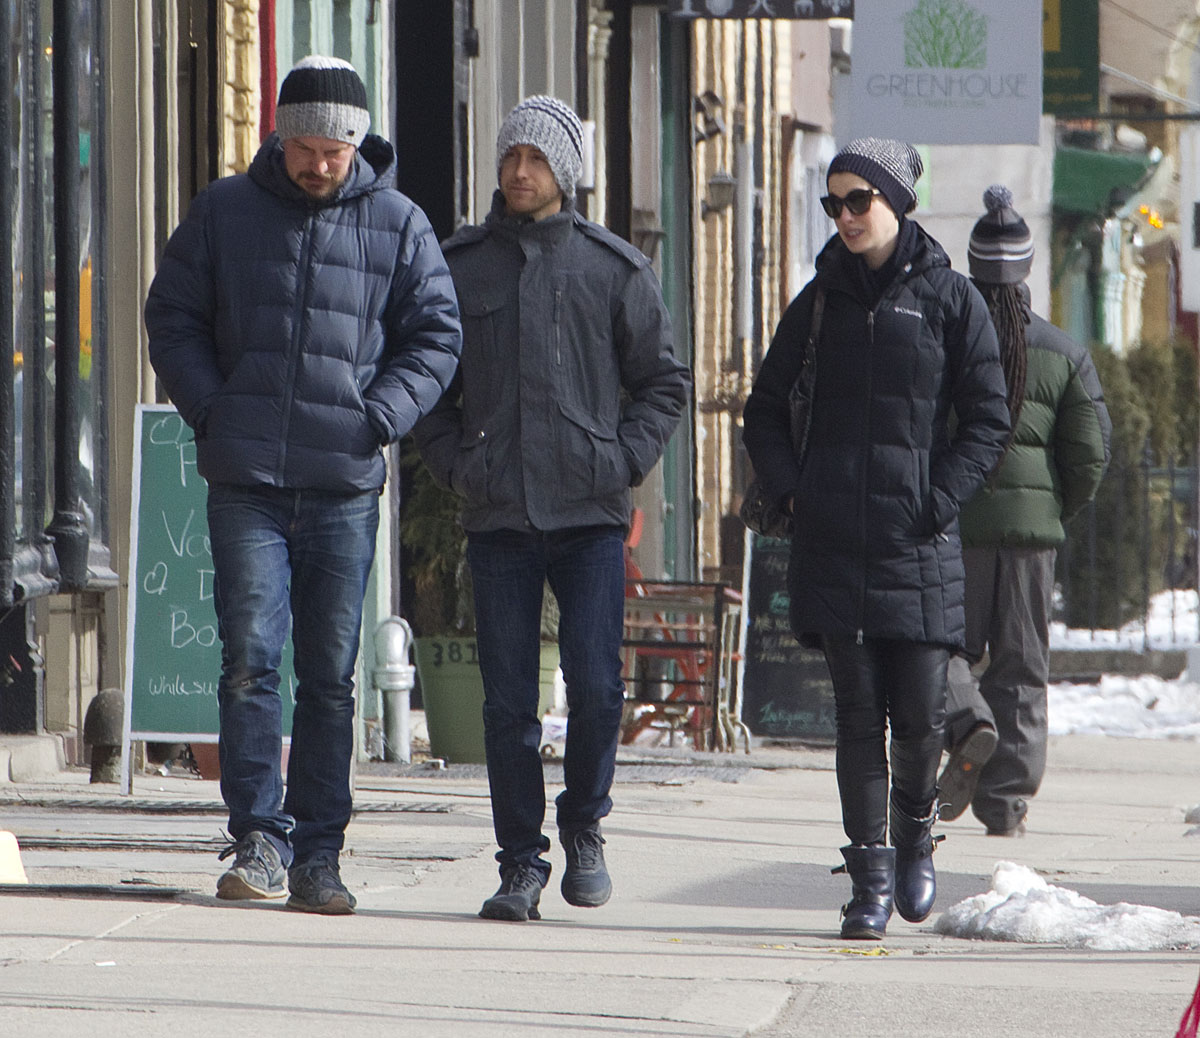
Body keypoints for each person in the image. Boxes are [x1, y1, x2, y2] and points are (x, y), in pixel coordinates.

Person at [144, 56, 462, 913]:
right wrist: (212, 407)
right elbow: (169, 316)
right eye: (309, 146)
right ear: (280, 135)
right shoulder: (222, 212)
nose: (322, 163)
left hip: (344, 480)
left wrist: (381, 414)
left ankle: (320, 853)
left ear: (358, 144)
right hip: (244, 474)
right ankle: (259, 838)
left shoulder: (399, 223)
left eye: (338, 149)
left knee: (329, 674)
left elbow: (436, 336)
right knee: (250, 662)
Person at [413, 95, 690, 922]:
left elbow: (663, 382)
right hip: (498, 514)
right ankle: (518, 864)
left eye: (535, 159)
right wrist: (457, 464)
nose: (520, 171)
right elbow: (429, 381)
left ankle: (585, 826)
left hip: (589, 515)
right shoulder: (460, 266)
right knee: (506, 702)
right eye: (510, 158)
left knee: (599, 688)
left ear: (563, 172)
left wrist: (623, 457)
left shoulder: (613, 269)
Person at [742, 138, 1010, 940]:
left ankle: (917, 837)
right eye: (834, 203)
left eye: (859, 200)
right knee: (859, 719)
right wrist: (794, 489)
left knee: (922, 716)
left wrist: (940, 498)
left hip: (918, 542)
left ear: (897, 201)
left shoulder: (950, 300)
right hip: (835, 542)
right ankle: (868, 876)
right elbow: (763, 406)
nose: (846, 216)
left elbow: (989, 417)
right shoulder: (820, 296)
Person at [938, 185, 1111, 836]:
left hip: (954, 528)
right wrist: (1053, 511)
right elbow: (1090, 453)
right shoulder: (1065, 354)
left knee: (942, 653)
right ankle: (1005, 804)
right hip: (1030, 543)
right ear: (1029, 269)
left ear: (974, 268)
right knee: (1022, 669)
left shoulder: (946, 342)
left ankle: (962, 733)